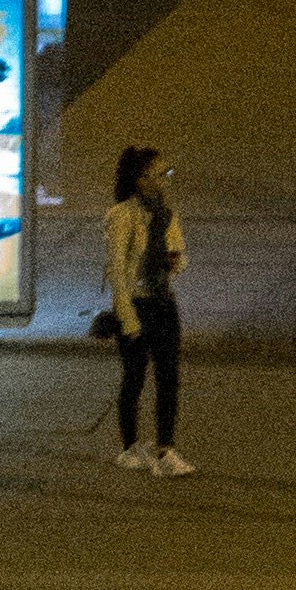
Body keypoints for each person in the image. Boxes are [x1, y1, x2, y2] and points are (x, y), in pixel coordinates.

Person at [104, 143, 188, 473]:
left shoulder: (167, 213)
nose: (166, 179)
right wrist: (128, 319)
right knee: (135, 378)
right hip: (137, 304)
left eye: (168, 172)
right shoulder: (122, 216)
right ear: (141, 180)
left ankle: (165, 450)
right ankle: (129, 446)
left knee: (169, 379)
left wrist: (176, 260)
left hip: (164, 302)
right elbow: (117, 270)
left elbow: (179, 252)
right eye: (160, 174)